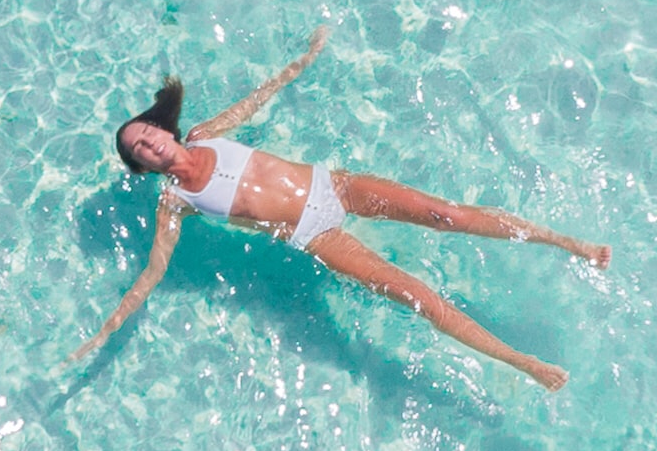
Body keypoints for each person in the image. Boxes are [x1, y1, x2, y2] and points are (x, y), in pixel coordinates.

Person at [68, 25, 607, 390]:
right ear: (142, 166)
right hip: (316, 238)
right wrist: (105, 332)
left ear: (162, 128)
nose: (148, 143)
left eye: (147, 132)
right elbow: (151, 275)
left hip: (339, 188)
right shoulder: (174, 203)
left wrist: (305, 58)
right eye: (137, 149)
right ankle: (521, 362)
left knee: (449, 215)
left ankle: (566, 242)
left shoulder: (208, 132)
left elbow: (260, 96)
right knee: (418, 297)